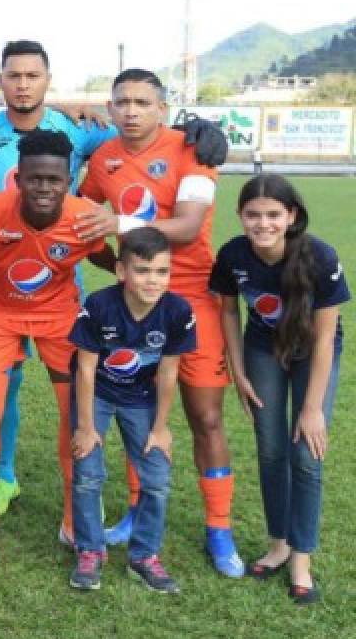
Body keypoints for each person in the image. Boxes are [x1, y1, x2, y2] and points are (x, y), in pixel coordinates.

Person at [0, 40, 228, 519]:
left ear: (47, 79)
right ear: (1, 80)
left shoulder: (78, 133)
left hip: (73, 289)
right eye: (14, 75)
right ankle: (2, 478)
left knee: (111, 402)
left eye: (32, 75)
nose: (22, 83)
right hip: (3, 290)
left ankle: (117, 512)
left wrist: (199, 129)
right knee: (0, 396)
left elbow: (133, 146)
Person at [75, 69, 244, 577]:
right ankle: (133, 511)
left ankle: (220, 527)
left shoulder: (191, 149)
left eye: (142, 102)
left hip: (191, 295)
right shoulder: (103, 158)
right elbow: (85, 213)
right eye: (122, 102)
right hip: (135, 297)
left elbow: (189, 228)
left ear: (162, 108)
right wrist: (111, 264)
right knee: (134, 402)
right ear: (109, 109)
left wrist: (119, 226)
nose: (131, 111)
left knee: (206, 416)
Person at [0, 130, 115, 562]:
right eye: (34, 179)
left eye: (55, 180)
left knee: (76, 414)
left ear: (69, 179)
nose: (44, 188)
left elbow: (102, 253)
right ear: (18, 178)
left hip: (58, 317)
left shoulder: (84, 216)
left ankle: (73, 515)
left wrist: (122, 268)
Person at [210, 175, 348, 604]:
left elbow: (326, 338)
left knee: (305, 453)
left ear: (291, 216)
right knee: (270, 448)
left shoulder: (319, 256)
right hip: (261, 349)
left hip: (312, 352)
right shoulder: (233, 254)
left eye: (273, 215)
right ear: (240, 216)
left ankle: (300, 559)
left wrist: (311, 408)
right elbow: (229, 311)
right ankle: (279, 543)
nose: (262, 223)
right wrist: (238, 368)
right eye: (253, 214)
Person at [68, 227, 194, 594]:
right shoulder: (100, 304)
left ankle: (144, 556)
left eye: (161, 272)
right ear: (122, 272)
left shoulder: (178, 311)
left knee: (156, 479)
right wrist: (87, 426)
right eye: (142, 271)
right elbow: (86, 368)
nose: (152, 280)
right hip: (99, 395)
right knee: (88, 473)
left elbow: (170, 371)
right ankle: (90, 550)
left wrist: (161, 428)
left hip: (142, 399)